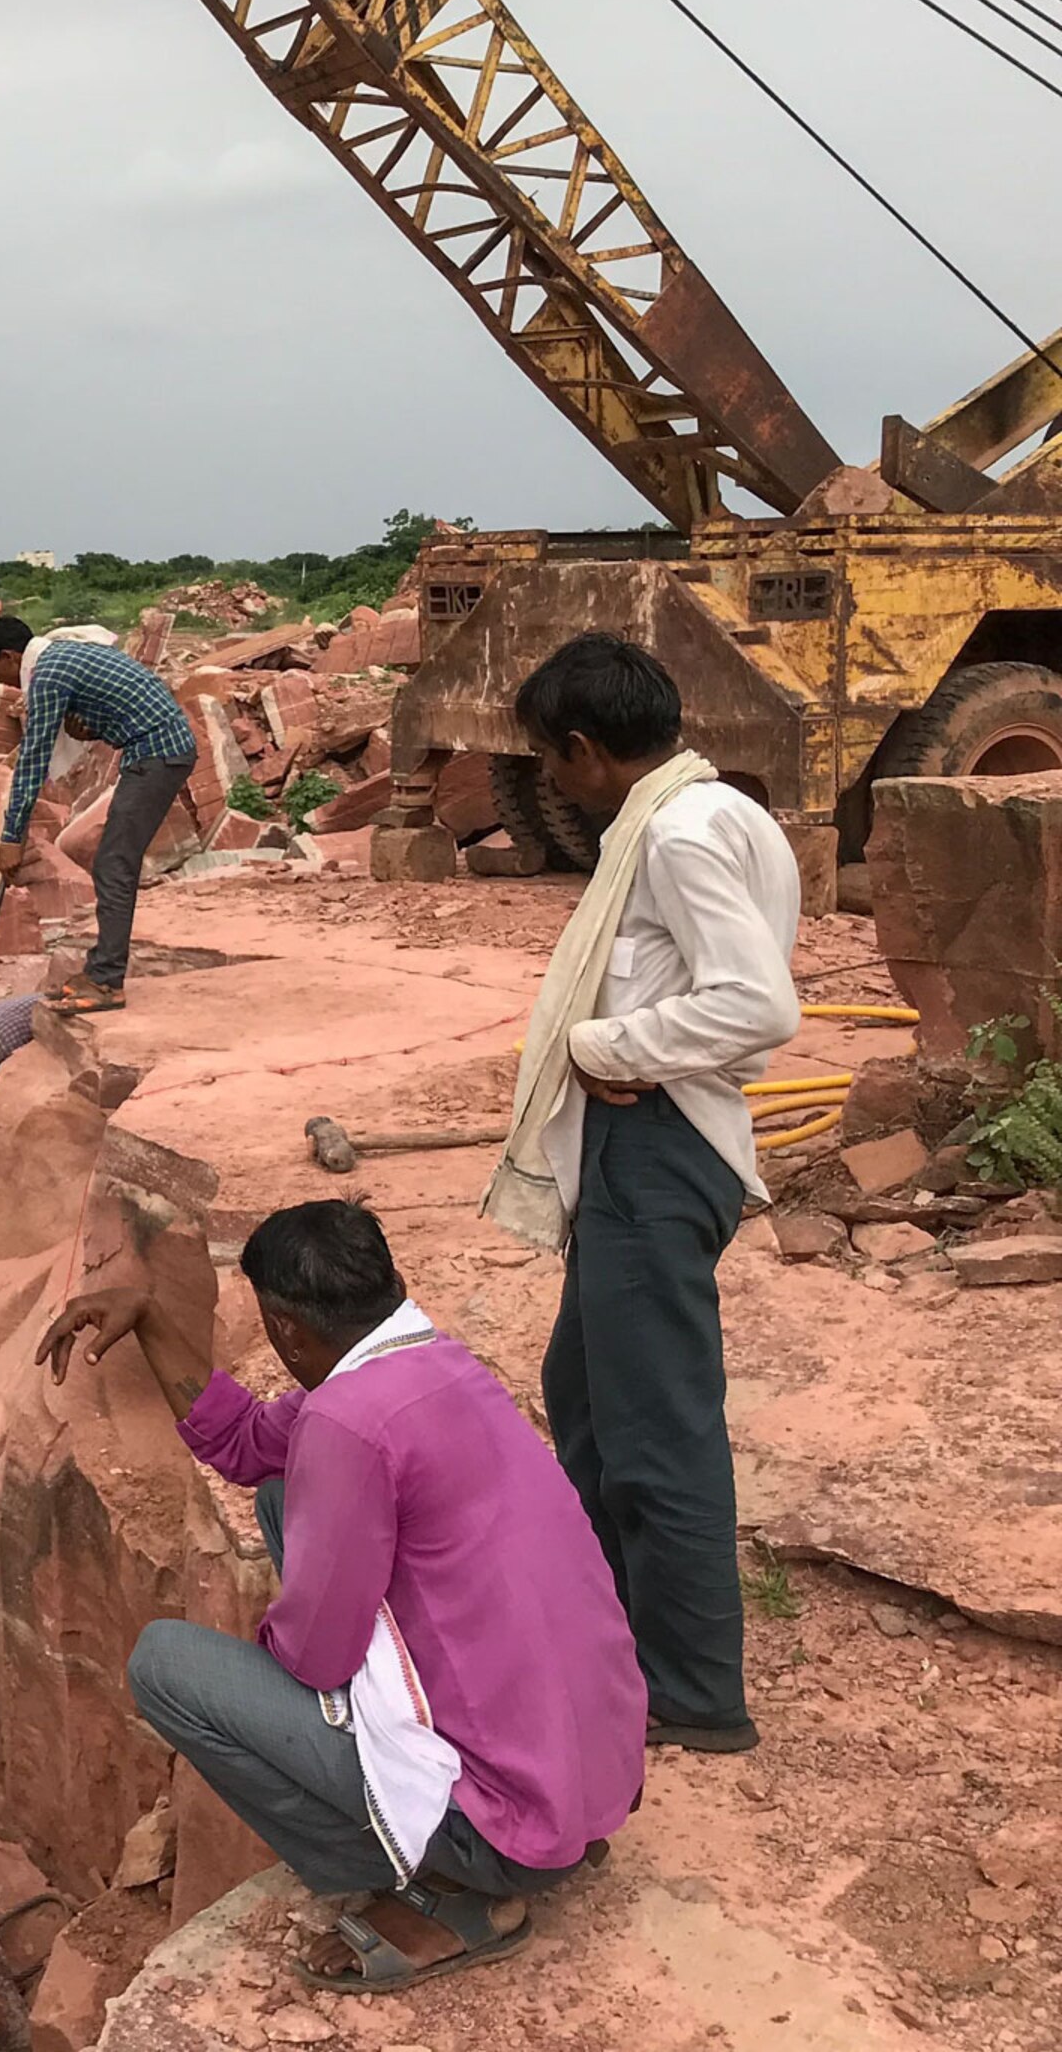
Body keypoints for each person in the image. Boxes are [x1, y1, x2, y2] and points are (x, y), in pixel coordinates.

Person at [39, 1200, 643, 1995]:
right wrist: (150, 1318)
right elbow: (248, 1443)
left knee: (165, 1664)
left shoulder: (347, 1423)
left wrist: (274, 1699)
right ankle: (469, 1812)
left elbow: (316, 1658)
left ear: (286, 1331)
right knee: (284, 1498)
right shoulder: (432, 1367)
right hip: (593, 1772)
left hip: (508, 1822)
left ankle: (445, 1888)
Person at [489, 632, 800, 1753]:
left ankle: (693, 1689)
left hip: (659, 1153)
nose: (552, 786)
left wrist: (607, 1047)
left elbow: (757, 1006)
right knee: (583, 1391)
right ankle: (605, 1621)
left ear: (584, 750)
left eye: (552, 764)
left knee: (655, 1429)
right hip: (647, 1151)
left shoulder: (675, 833)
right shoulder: (714, 811)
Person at [0, 616, 199, 1015]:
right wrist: (91, 726)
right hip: (157, 747)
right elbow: (119, 700)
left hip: (158, 752)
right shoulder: (63, 654)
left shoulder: (47, 673)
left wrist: (13, 837)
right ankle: (100, 969)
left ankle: (107, 981)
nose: (8, 685)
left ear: (10, 656)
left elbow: (33, 757)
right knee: (113, 861)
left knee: (114, 864)